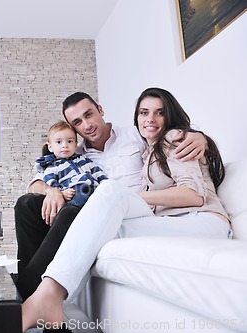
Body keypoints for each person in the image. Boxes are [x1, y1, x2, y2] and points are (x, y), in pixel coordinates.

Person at [21, 87, 232, 332]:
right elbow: (37, 178)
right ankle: (53, 306)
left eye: (158, 113)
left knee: (108, 192)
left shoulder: (165, 137)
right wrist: (51, 190)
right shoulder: (79, 153)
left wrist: (199, 137)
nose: (150, 120)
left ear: (100, 111)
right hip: (163, 220)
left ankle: (38, 296)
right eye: (144, 113)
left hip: (203, 220)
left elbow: (195, 195)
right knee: (89, 229)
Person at [36, 120, 108, 208]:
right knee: (79, 200)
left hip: (94, 190)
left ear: (75, 145)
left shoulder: (84, 160)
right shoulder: (53, 166)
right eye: (59, 142)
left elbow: (98, 172)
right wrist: (61, 192)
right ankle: (69, 212)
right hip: (74, 193)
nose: (64, 145)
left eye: (69, 141)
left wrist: (105, 184)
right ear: (50, 147)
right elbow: (50, 182)